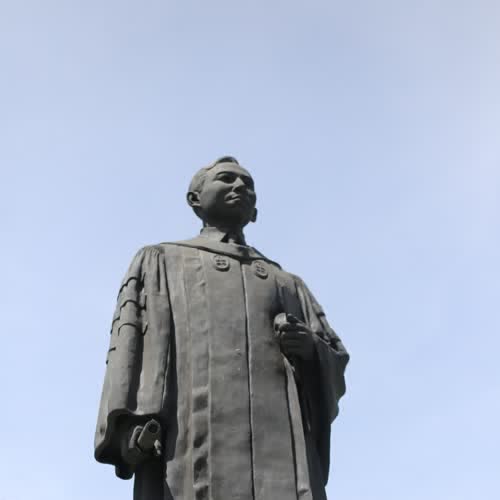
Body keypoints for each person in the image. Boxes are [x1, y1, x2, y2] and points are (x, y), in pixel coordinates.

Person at [95, 157, 349, 500]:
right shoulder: (162, 261)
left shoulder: (287, 284)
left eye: (248, 185)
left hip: (279, 450)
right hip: (190, 437)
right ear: (195, 199)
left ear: (255, 211)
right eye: (227, 179)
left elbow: (334, 359)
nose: (240, 187)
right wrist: (128, 422)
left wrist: (311, 350)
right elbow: (130, 344)